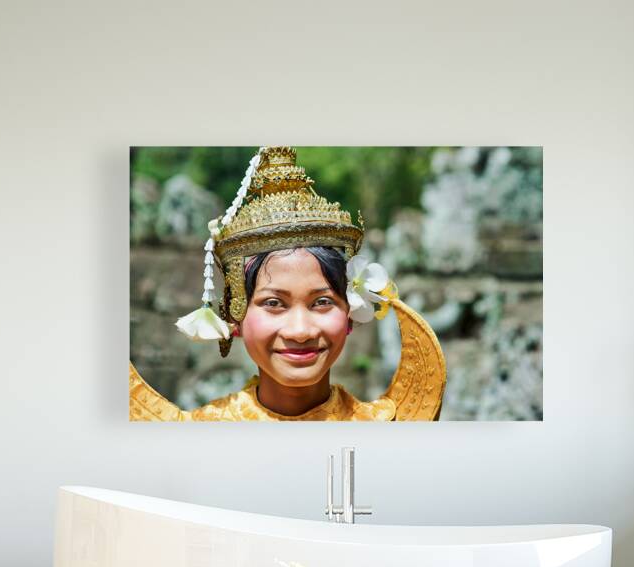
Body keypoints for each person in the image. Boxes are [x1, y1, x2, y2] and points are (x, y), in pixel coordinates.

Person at [129, 146, 446, 421]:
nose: (300, 331)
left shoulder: (382, 428)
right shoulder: (201, 433)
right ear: (234, 316)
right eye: (273, 304)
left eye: (322, 302)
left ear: (351, 312)